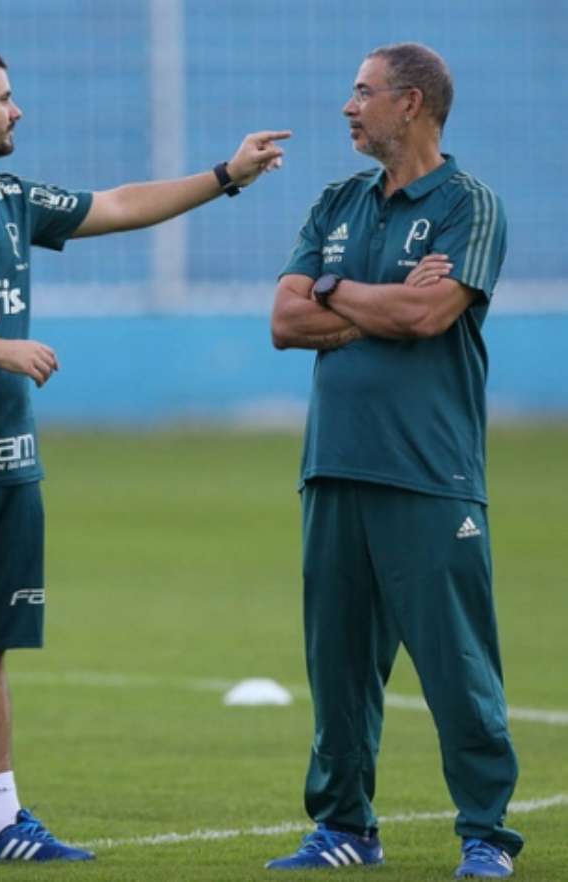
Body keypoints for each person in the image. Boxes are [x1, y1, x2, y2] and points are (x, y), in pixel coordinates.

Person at [0, 42, 289, 867]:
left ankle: (1, 821)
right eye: (6, 97)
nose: (19, 111)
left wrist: (225, 175)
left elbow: (118, 204)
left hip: (10, 462)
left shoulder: (11, 196)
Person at [265, 43, 521, 879]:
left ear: (410, 104)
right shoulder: (336, 200)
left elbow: (428, 316)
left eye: (362, 92)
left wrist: (333, 290)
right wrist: (371, 298)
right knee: (337, 670)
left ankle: (485, 835)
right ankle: (345, 827)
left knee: (457, 667)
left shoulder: (469, 205)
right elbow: (283, 319)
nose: (348, 107)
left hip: (428, 474)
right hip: (333, 468)